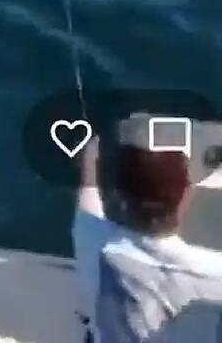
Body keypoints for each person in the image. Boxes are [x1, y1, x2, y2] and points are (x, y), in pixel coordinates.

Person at [74, 134, 222, 341]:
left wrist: (89, 161)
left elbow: (87, 201)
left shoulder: (97, 245)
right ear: (185, 196)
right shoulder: (215, 274)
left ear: (120, 195)